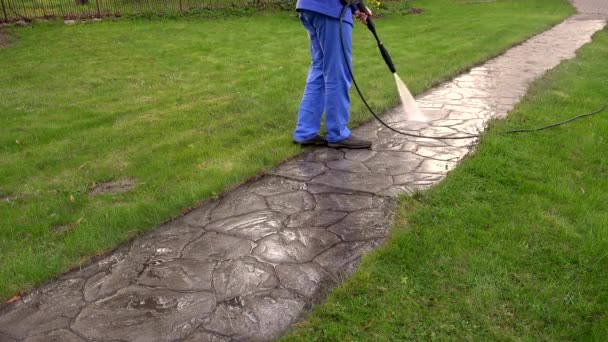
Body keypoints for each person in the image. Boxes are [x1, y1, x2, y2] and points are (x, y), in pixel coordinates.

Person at [293, 0, 372, 149]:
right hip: (331, 10)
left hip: (309, 7)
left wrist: (355, 8)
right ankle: (338, 133)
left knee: (320, 68)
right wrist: (356, 5)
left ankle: (305, 131)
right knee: (337, 71)